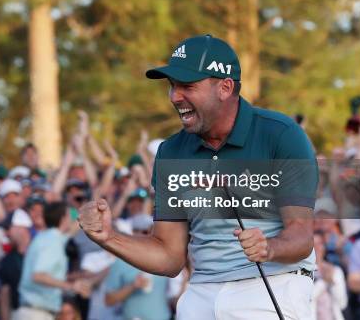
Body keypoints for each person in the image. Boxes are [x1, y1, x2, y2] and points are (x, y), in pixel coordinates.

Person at [79, 35, 319, 319]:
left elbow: (302, 236)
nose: (174, 97)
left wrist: (270, 247)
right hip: (201, 290)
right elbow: (169, 257)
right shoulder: (171, 152)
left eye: (187, 86)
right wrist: (108, 238)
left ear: (225, 87)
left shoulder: (280, 134)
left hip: (271, 287)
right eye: (172, 86)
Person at [16, 202, 89, 320]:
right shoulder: (52, 241)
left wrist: (91, 208)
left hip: (35, 312)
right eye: (70, 215)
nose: (72, 218)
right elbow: (38, 276)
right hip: (36, 314)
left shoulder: (50, 237)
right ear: (63, 218)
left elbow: (72, 230)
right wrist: (70, 286)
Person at [104, 214, 172, 320]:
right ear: (132, 232)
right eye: (137, 230)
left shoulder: (165, 257)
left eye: (146, 231)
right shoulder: (120, 261)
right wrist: (132, 286)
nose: (141, 234)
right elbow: (108, 300)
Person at [0, 209, 32, 320]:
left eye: (8, 228)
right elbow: (4, 297)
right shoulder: (6, 260)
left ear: (20, 228)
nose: (5, 233)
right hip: (19, 313)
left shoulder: (40, 250)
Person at [312, 231, 347, 320]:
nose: (316, 248)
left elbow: (342, 303)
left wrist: (332, 283)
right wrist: (324, 281)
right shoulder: (302, 272)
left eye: (319, 244)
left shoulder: (335, 270)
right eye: (313, 244)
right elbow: (307, 300)